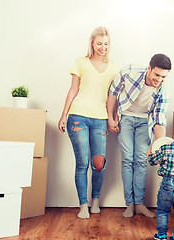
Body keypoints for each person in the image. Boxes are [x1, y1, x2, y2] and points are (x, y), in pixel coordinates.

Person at [58, 26, 118, 218]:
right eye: (99, 43)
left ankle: (95, 201)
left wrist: (112, 118)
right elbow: (73, 90)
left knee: (99, 164)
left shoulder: (114, 68)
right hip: (78, 117)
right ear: (92, 43)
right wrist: (63, 115)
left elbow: (112, 96)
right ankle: (83, 204)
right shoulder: (80, 63)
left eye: (106, 44)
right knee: (82, 163)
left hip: (100, 119)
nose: (103, 47)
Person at [107, 54, 172, 218]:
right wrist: (110, 117)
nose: (159, 80)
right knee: (128, 159)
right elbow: (113, 91)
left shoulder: (162, 91)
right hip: (126, 117)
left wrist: (160, 146)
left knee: (142, 161)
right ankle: (129, 204)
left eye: (163, 77)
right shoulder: (130, 71)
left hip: (145, 121)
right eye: (157, 75)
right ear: (149, 68)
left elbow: (159, 119)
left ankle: (139, 204)